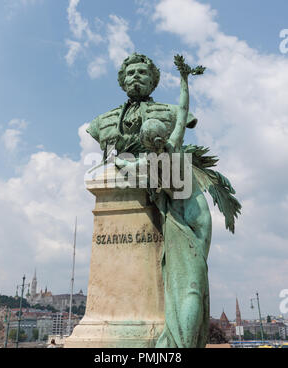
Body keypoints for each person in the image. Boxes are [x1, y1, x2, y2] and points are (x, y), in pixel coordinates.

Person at [86, 53, 241, 347]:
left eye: (142, 72)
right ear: (121, 80)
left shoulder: (168, 117)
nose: (135, 77)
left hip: (177, 218)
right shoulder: (102, 123)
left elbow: (182, 114)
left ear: (153, 80)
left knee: (189, 286)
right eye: (129, 73)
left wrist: (184, 81)